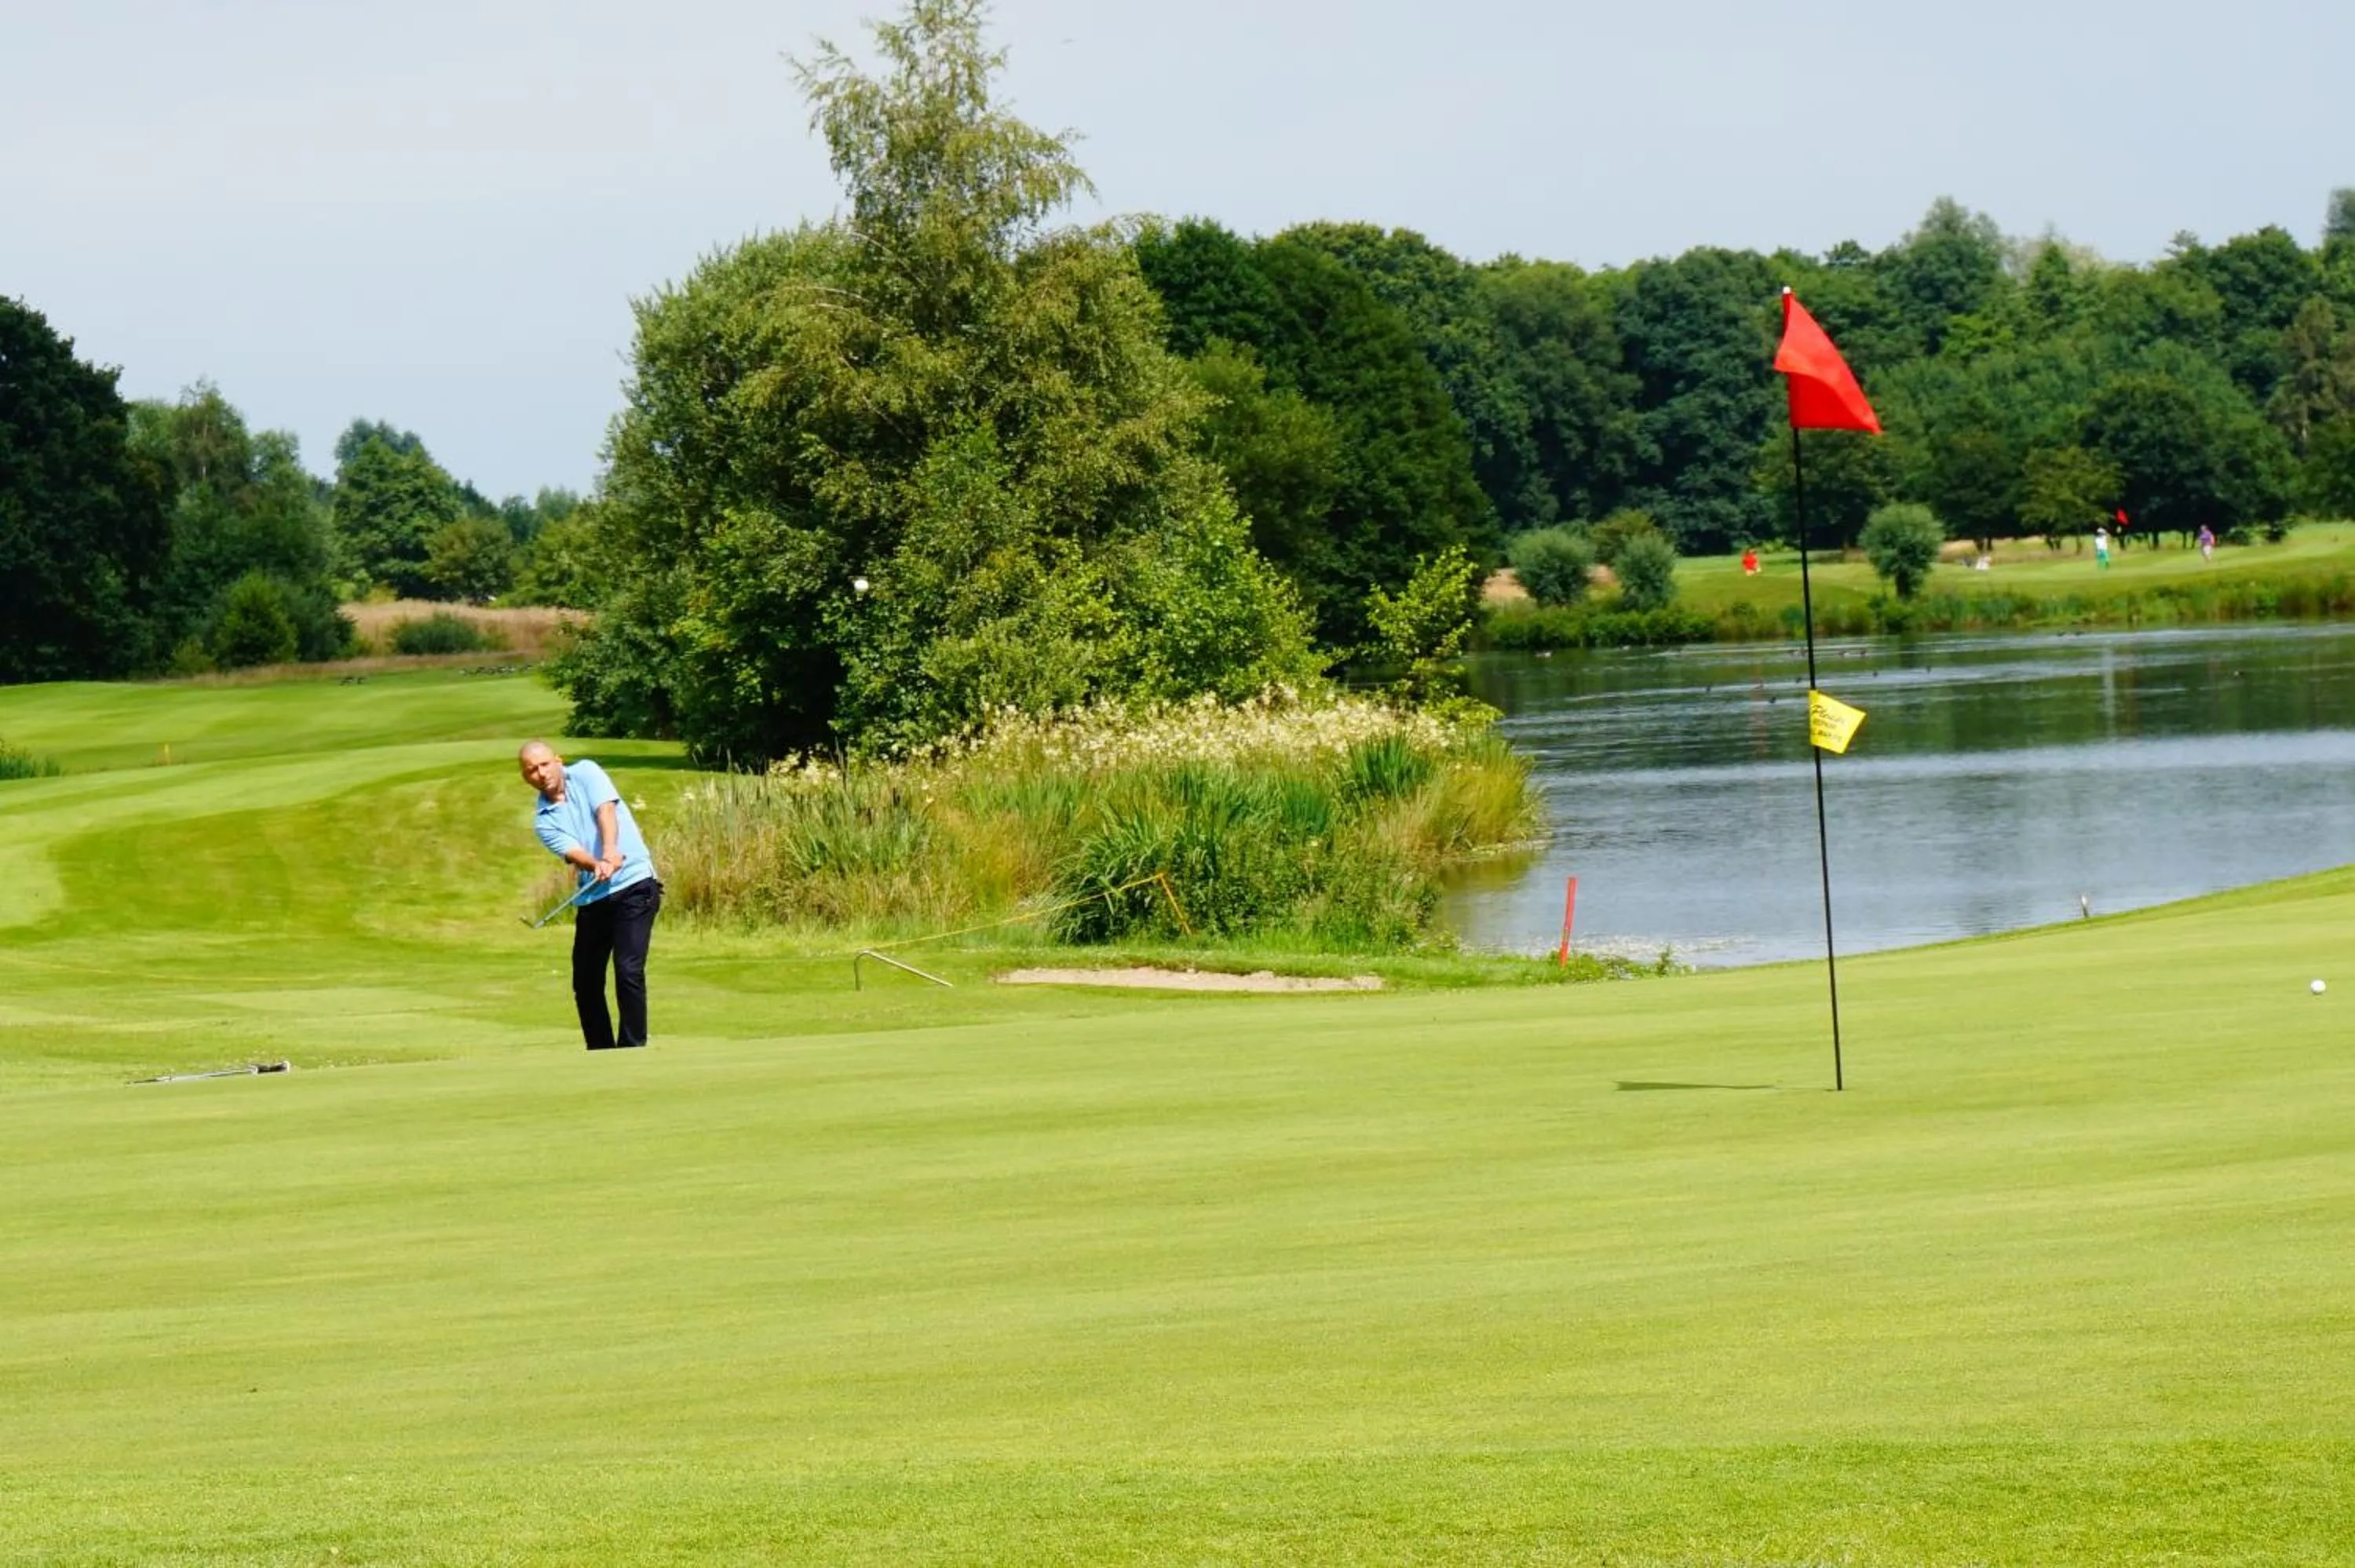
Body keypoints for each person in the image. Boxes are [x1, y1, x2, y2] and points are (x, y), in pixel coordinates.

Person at [518, 741, 662, 1050]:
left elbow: (605, 811)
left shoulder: (586, 772)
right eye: (532, 770)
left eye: (544, 764)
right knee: (585, 982)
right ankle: (601, 1052)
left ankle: (632, 1047)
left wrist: (610, 852)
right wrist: (597, 864)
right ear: (525, 777)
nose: (541, 773)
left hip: (635, 885)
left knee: (628, 970)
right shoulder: (544, 821)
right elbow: (574, 852)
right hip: (594, 899)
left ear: (558, 760)